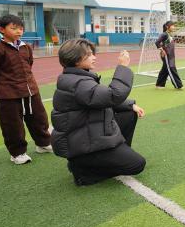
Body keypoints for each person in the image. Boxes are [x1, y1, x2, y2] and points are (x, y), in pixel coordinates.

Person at [50, 40, 146, 186]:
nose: (94, 57)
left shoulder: (75, 78)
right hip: (82, 146)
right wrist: (122, 67)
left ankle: (113, 155)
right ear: (76, 59)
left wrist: (129, 105)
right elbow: (113, 95)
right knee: (137, 164)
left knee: (128, 112)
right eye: (89, 55)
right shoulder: (79, 83)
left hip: (85, 137)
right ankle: (84, 172)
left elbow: (98, 100)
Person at [0, 15, 53, 165]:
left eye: (21, 28)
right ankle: (17, 153)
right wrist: (3, 85)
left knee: (39, 119)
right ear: (1, 29)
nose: (19, 31)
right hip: (8, 95)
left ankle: (43, 144)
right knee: (12, 125)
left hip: (31, 91)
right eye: (14, 28)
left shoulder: (26, 47)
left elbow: (29, 65)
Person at [155, 21, 183, 89]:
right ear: (167, 27)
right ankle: (178, 85)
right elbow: (157, 42)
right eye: (172, 25)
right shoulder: (164, 34)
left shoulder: (169, 34)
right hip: (167, 55)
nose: (174, 27)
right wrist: (162, 50)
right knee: (171, 68)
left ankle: (160, 84)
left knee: (165, 69)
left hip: (171, 55)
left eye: (174, 25)